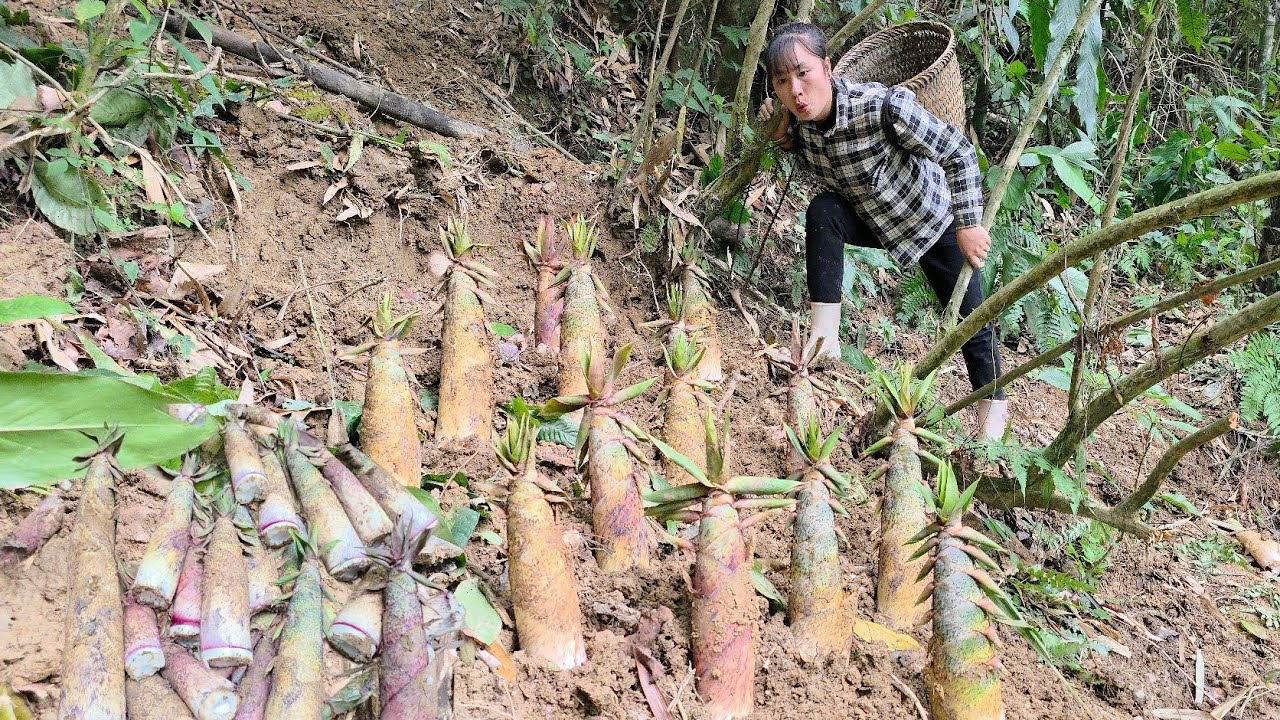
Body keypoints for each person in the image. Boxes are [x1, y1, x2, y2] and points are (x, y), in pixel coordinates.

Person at [759, 22, 1007, 439]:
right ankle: (824, 340)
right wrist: (779, 137)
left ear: (827, 67)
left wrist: (967, 223)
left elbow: (959, 151)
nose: (796, 90)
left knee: (974, 329)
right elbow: (811, 162)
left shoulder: (884, 107)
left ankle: (992, 435)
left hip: (935, 221)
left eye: (804, 73)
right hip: (879, 221)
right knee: (823, 211)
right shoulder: (802, 129)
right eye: (782, 82)